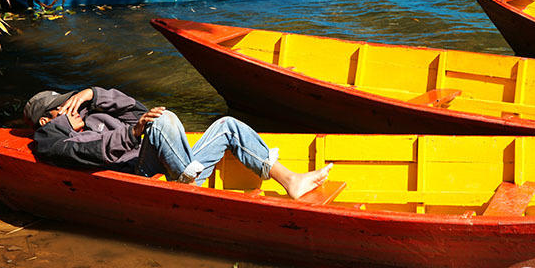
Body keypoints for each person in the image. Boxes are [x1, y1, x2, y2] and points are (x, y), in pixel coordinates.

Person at [23, 87, 332, 199]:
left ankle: (289, 179)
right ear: (46, 121)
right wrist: (133, 134)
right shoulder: (52, 141)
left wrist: (94, 94)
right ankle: (189, 179)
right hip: (137, 171)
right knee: (161, 121)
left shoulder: (92, 114)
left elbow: (138, 112)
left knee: (228, 125)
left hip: (167, 161)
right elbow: (89, 152)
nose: (72, 108)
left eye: (72, 102)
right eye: (62, 108)